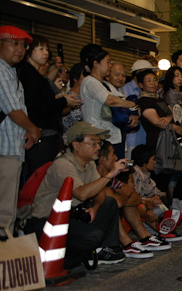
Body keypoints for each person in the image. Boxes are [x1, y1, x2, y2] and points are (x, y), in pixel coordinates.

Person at [28, 121, 148, 264]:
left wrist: (95, 208)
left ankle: (103, 249)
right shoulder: (63, 164)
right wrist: (111, 174)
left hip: (71, 216)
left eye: (99, 143)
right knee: (92, 236)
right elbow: (81, 194)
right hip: (48, 221)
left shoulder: (89, 164)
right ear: (76, 145)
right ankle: (65, 260)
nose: (98, 147)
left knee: (108, 203)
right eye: (93, 143)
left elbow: (101, 192)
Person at [17, 35, 80, 178]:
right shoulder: (28, 75)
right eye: (40, 49)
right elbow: (37, 107)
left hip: (48, 136)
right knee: (38, 180)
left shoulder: (37, 76)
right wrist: (64, 102)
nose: (45, 53)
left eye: (46, 49)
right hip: (40, 136)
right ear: (29, 51)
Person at [0, 26, 41, 234]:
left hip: (12, 147)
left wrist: (27, 130)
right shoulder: (1, 70)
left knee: (8, 205)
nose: (20, 49)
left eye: (23, 46)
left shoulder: (10, 71)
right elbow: (13, 110)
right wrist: (34, 129)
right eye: (14, 44)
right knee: (5, 209)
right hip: (4, 150)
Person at [79, 46, 138, 159]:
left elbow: (122, 100)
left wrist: (134, 111)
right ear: (96, 63)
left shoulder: (106, 84)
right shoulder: (90, 81)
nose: (110, 65)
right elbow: (109, 100)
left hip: (113, 135)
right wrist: (132, 105)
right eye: (108, 62)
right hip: (98, 136)